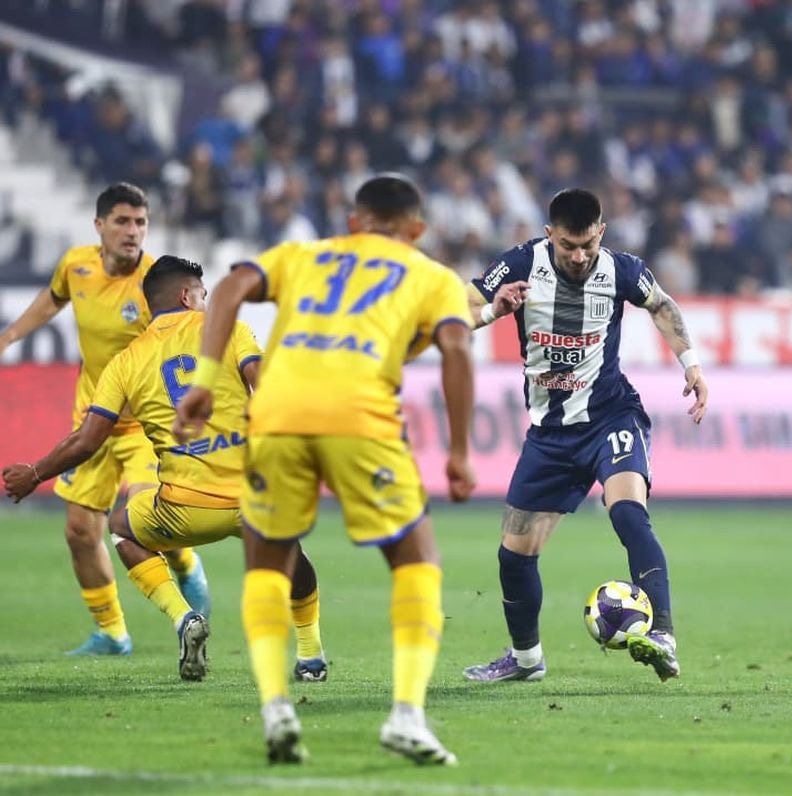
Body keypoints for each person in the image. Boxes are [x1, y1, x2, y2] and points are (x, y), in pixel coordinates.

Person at [172, 174, 476, 765]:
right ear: (417, 229)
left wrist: (205, 382)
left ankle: (275, 708)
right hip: (361, 418)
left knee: (268, 563)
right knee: (416, 559)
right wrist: (459, 451)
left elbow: (230, 286)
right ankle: (407, 716)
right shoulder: (432, 275)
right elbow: (458, 348)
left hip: (277, 414)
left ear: (354, 221)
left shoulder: (304, 255)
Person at [3, 256, 326, 683]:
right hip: (254, 498)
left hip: (184, 509)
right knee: (293, 555)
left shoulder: (125, 361)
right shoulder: (228, 330)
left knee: (121, 527)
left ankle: (183, 616)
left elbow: (87, 440)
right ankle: (310, 656)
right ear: (186, 296)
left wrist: (35, 473)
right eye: (203, 294)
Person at [462, 188, 709, 684]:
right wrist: (493, 311)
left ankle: (663, 634)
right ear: (549, 235)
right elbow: (459, 310)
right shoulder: (520, 263)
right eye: (568, 246)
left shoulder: (621, 270)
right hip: (550, 434)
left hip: (611, 417)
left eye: (588, 246)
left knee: (628, 512)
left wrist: (692, 364)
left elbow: (662, 306)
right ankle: (526, 660)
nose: (578, 257)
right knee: (514, 555)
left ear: (602, 233)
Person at [0, 183, 209, 656]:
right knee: (79, 531)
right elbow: (54, 299)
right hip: (92, 420)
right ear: (99, 225)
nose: (133, 231)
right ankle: (113, 633)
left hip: (145, 426)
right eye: (122, 221)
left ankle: (186, 569)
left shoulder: (157, 282)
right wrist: (10, 336)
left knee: (148, 516)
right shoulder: (76, 265)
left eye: (140, 222)